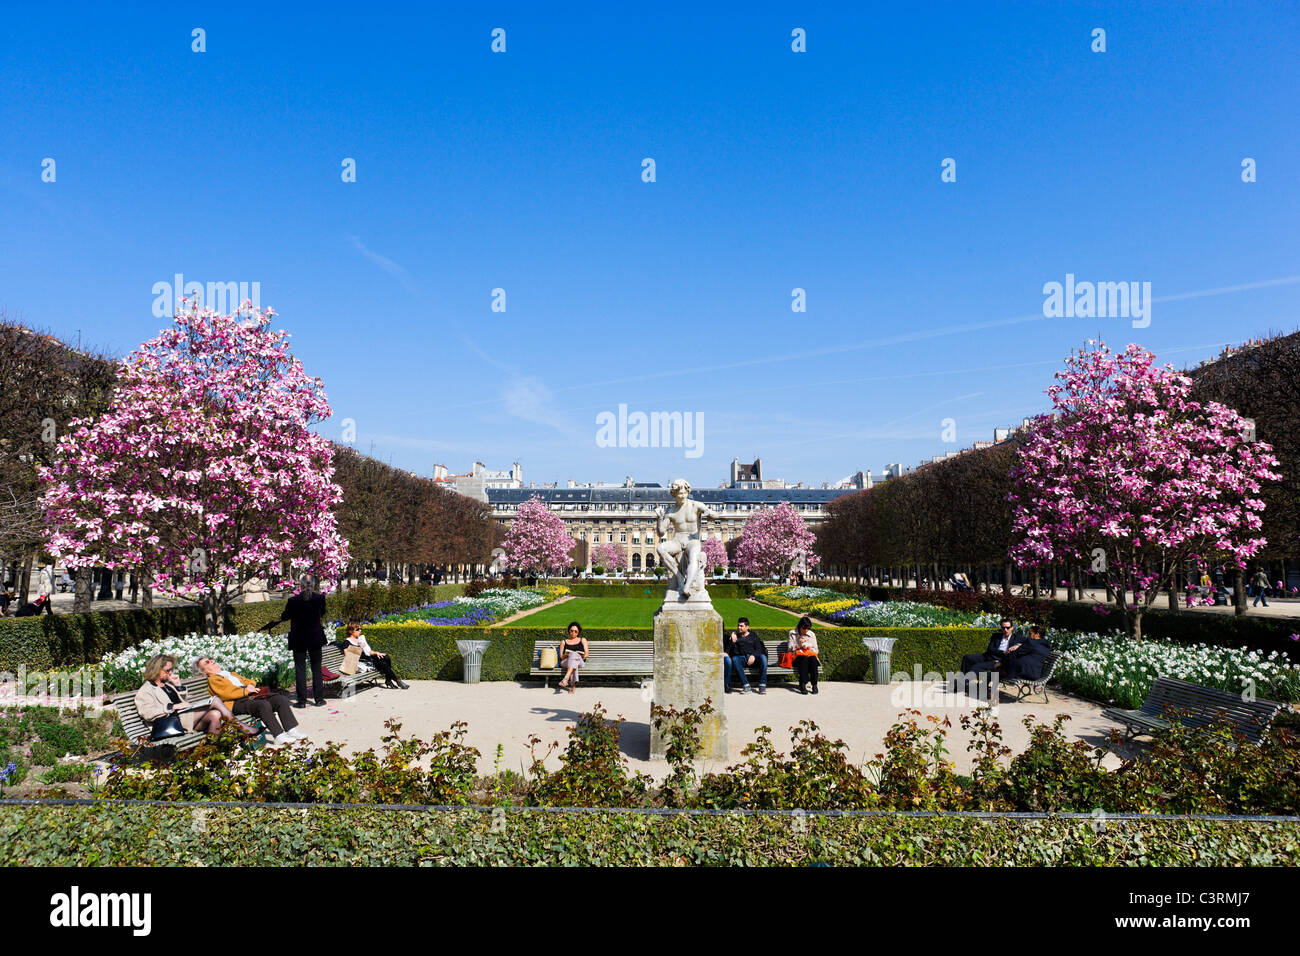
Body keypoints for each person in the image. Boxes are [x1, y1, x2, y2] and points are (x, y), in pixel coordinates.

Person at [197, 656, 303, 746]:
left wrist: (250, 685)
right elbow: (226, 693)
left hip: (248, 697)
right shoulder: (213, 680)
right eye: (207, 662)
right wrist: (246, 690)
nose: (211, 661)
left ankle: (291, 729)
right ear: (204, 671)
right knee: (262, 705)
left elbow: (249, 681)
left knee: (279, 699)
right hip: (234, 703)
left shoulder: (230, 674)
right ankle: (278, 735)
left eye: (210, 659)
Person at [134, 654, 243, 737]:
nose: (170, 673)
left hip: (184, 719)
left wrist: (178, 686)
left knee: (215, 714)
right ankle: (241, 727)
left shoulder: (166, 684)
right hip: (171, 723)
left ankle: (211, 752)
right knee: (214, 701)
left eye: (171, 669)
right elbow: (147, 713)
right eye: (167, 670)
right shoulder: (146, 690)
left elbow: (181, 701)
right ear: (156, 670)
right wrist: (172, 707)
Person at [277, 574, 328, 708]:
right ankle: (319, 699)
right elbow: (322, 613)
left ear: (301, 585)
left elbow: (285, 616)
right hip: (315, 637)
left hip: (299, 638)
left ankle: (302, 701)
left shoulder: (293, 601)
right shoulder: (320, 598)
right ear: (313, 584)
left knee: (300, 669)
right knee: (316, 668)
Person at [335, 621, 408, 689]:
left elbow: (368, 651)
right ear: (351, 631)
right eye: (357, 629)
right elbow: (348, 657)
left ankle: (389, 680)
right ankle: (397, 680)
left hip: (369, 659)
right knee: (383, 663)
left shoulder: (360, 639)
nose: (360, 630)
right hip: (360, 663)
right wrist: (359, 648)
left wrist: (377, 653)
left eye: (360, 628)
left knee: (386, 656)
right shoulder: (347, 642)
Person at [724, 617, 767, 694]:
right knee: (735, 659)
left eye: (741, 626)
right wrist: (733, 641)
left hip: (755, 659)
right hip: (744, 659)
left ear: (747, 627)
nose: (739, 628)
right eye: (738, 626)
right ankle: (746, 685)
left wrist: (753, 655)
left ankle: (762, 685)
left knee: (763, 657)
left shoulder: (753, 635)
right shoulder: (736, 637)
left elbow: (759, 648)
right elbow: (729, 651)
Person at [788, 616, 819, 695]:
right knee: (803, 659)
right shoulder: (792, 633)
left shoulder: (811, 634)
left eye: (808, 628)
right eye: (804, 628)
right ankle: (802, 684)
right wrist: (799, 645)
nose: (806, 630)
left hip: (809, 654)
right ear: (800, 626)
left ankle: (814, 685)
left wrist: (808, 646)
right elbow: (789, 648)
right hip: (796, 657)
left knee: (813, 660)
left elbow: (816, 650)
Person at [556, 621, 588, 694]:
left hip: (580, 661)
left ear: (578, 632)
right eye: (572, 631)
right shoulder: (564, 642)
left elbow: (587, 654)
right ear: (569, 631)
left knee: (574, 657)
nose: (573, 632)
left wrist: (581, 655)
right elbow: (561, 656)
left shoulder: (583, 640)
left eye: (575, 631)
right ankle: (572, 687)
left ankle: (566, 679)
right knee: (573, 660)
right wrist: (567, 655)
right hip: (565, 662)